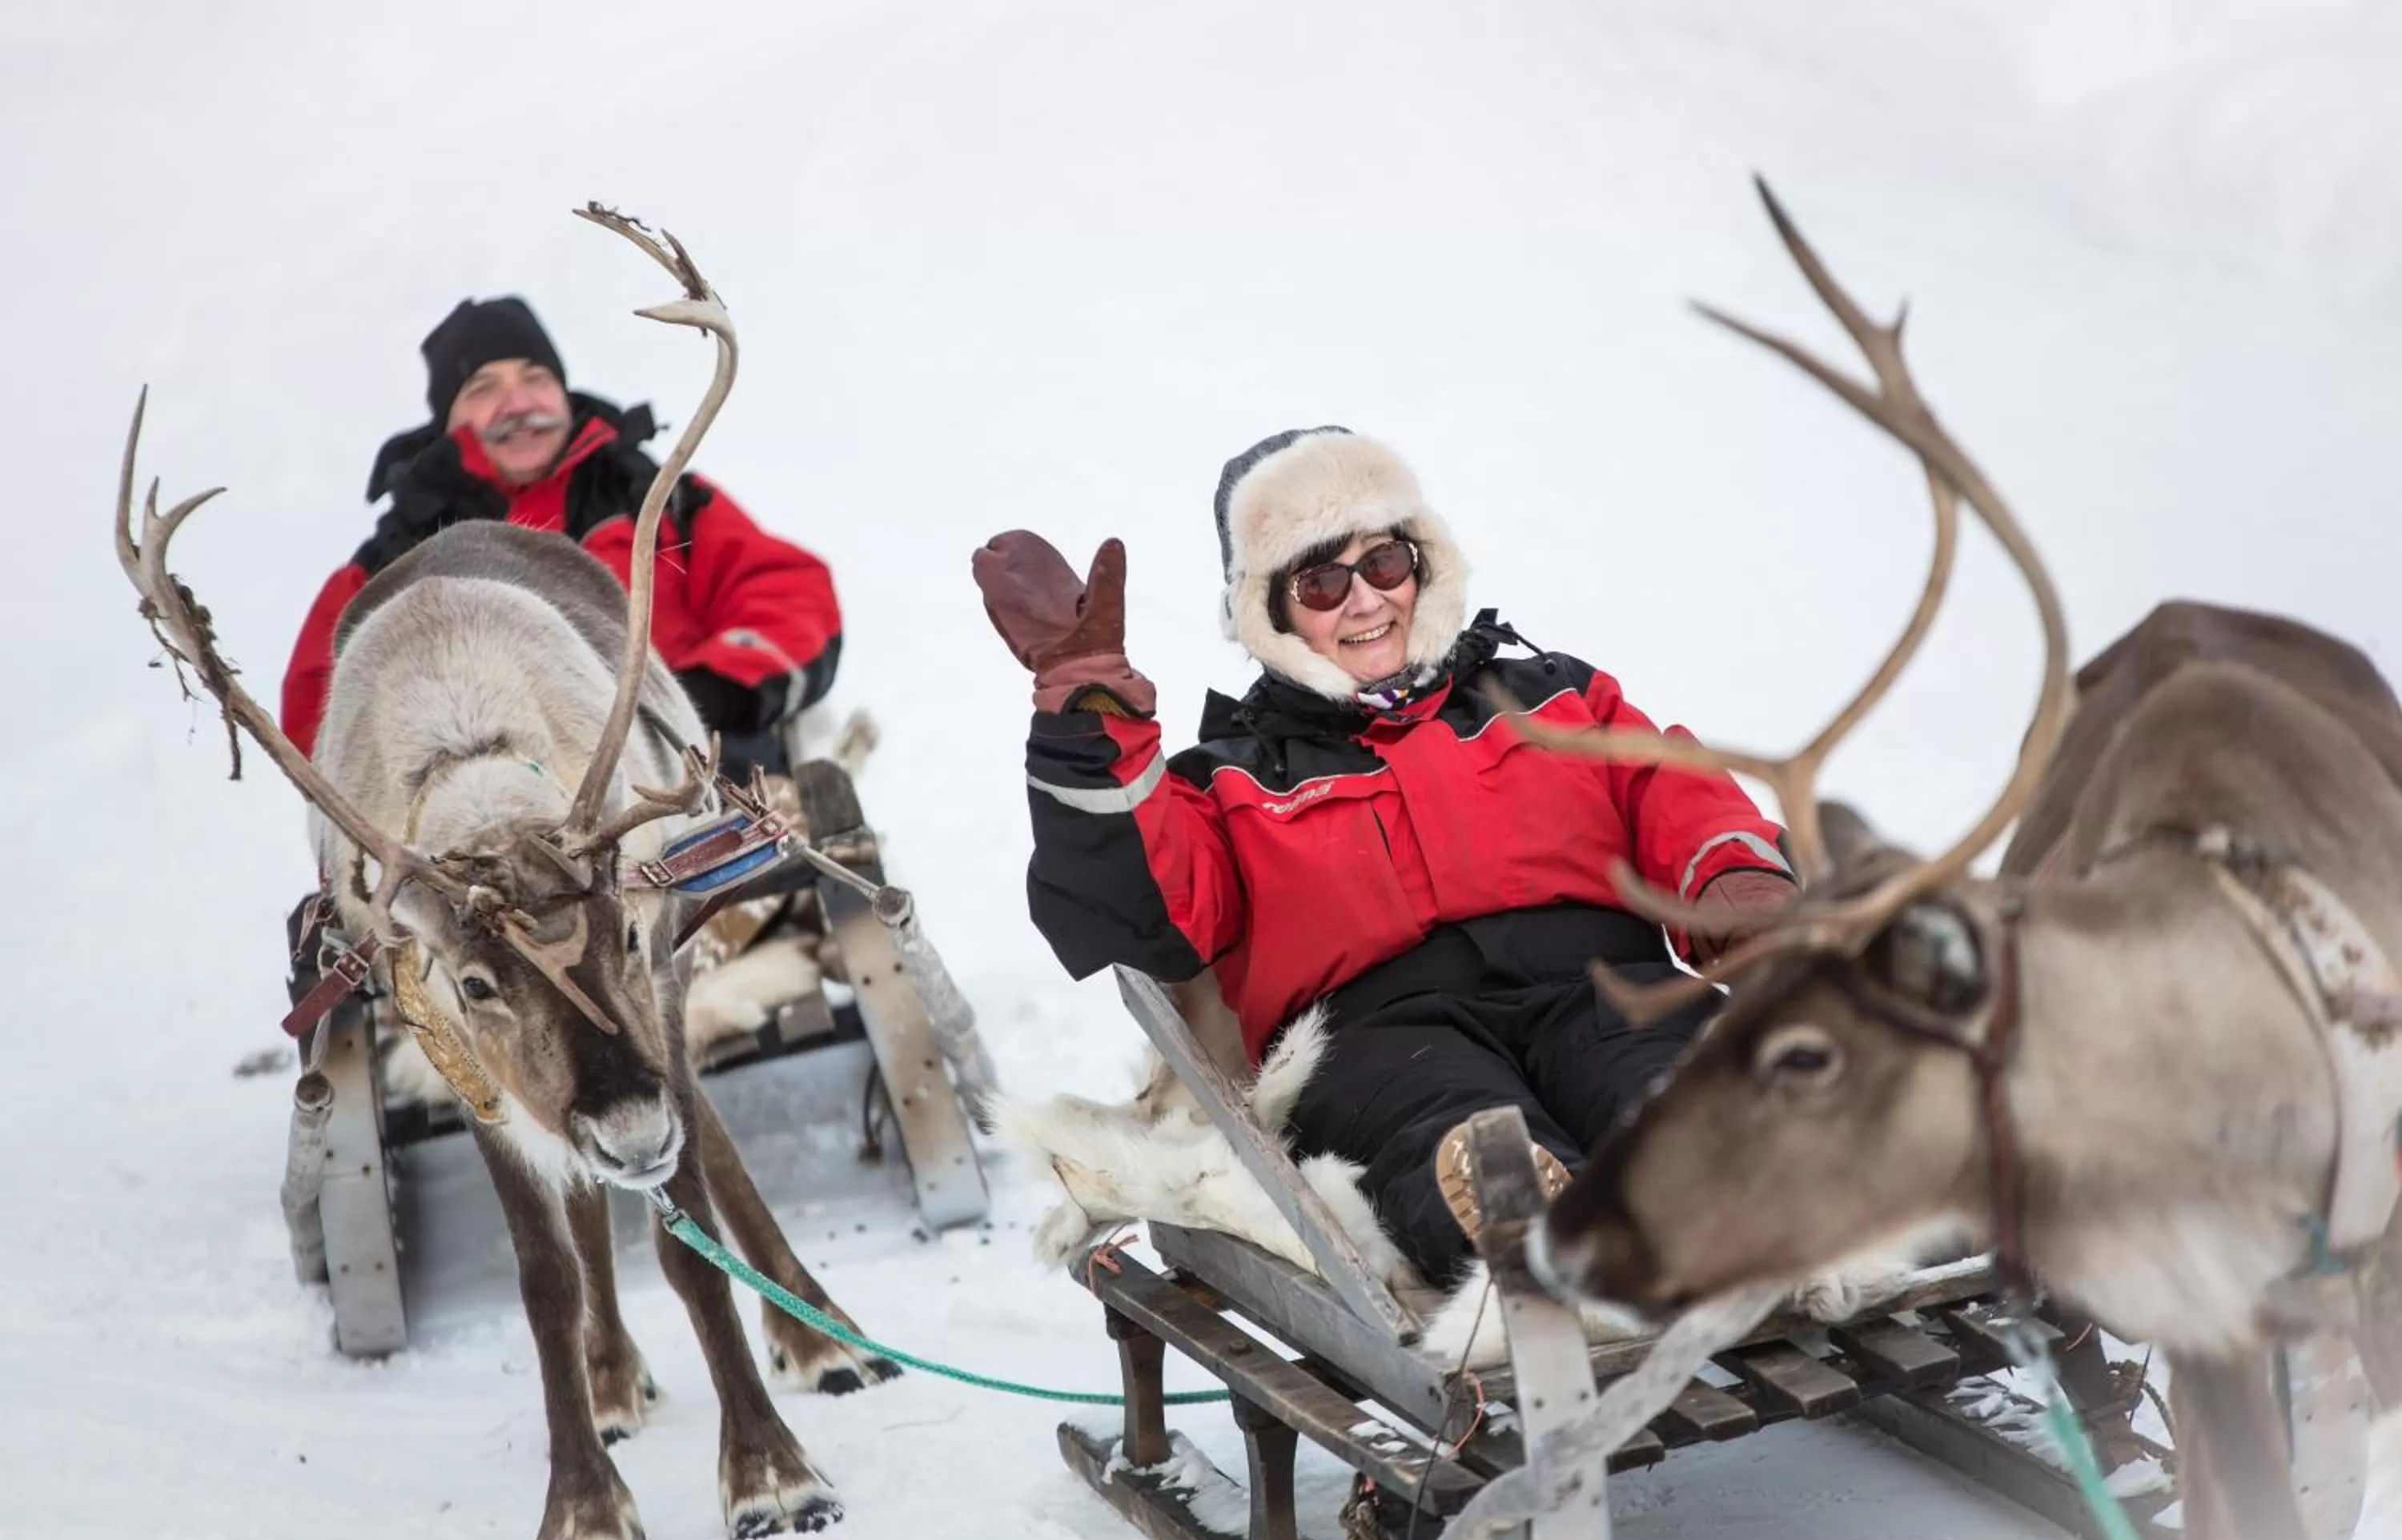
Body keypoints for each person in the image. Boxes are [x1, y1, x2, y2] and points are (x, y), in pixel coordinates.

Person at [972, 424, 1800, 1289]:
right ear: (1272, 609)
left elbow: (1671, 790)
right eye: (1322, 580)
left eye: (1384, 564)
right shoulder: (1227, 781)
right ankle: (1532, 1238)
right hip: (1381, 1042)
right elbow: (1139, 907)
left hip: (1601, 990)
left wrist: (1737, 878)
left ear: (1423, 563)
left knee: (1665, 1082)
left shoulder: (1552, 695)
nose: (1364, 601)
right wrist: (1088, 711)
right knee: (1458, 1131)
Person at [279, 295, 842, 778]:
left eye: (536, 378)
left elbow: (790, 596)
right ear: (447, 423)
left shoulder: (657, 499)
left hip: (701, 791)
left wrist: (703, 694)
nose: (519, 403)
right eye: (484, 388)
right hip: (485, 832)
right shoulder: (391, 565)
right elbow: (317, 708)